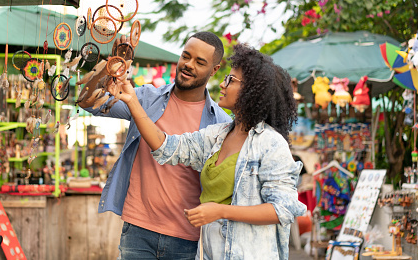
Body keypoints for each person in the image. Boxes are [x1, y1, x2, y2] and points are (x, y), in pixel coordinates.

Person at [109, 43, 307, 260]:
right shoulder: (217, 136)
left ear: (251, 91)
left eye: (230, 80)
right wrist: (133, 102)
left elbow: (283, 209)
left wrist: (221, 211)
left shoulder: (270, 143)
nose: (222, 85)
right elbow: (167, 147)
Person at [78, 32, 232, 259]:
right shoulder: (146, 97)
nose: (189, 65)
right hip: (138, 228)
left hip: (186, 237)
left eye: (200, 62)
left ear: (214, 70)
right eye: (186, 56)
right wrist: (113, 64)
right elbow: (87, 102)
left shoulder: (220, 123)